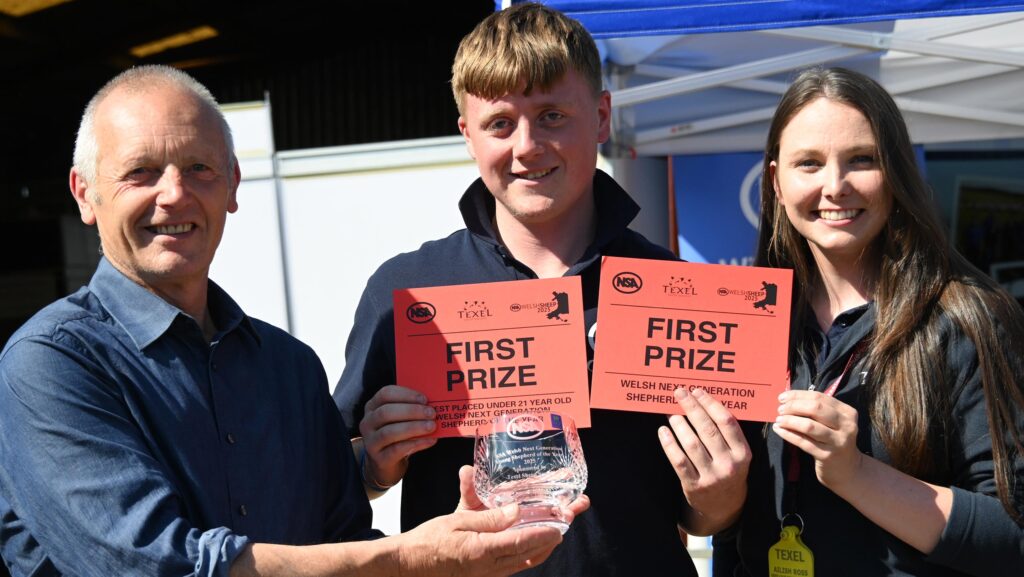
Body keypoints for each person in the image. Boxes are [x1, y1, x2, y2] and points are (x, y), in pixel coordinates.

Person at [0, 65, 581, 577]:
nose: (174, 194)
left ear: (232, 185)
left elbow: (342, 541)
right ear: (84, 194)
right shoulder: (51, 364)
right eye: (141, 172)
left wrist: (465, 539)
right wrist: (413, 560)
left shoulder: (289, 367)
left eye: (199, 168)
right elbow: (159, 565)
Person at [333, 3, 749, 576]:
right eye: (500, 123)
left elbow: (702, 517)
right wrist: (375, 466)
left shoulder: (678, 293)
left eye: (552, 116)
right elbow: (332, 484)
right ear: (467, 135)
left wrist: (721, 496)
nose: (527, 145)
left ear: (601, 117)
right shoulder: (405, 293)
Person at [725, 66, 1024, 576]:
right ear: (776, 182)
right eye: (809, 163)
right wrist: (710, 494)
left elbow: (1013, 536)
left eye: (862, 159)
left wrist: (857, 475)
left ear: (897, 171)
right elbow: (724, 528)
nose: (835, 186)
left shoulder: (969, 319)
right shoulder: (743, 321)